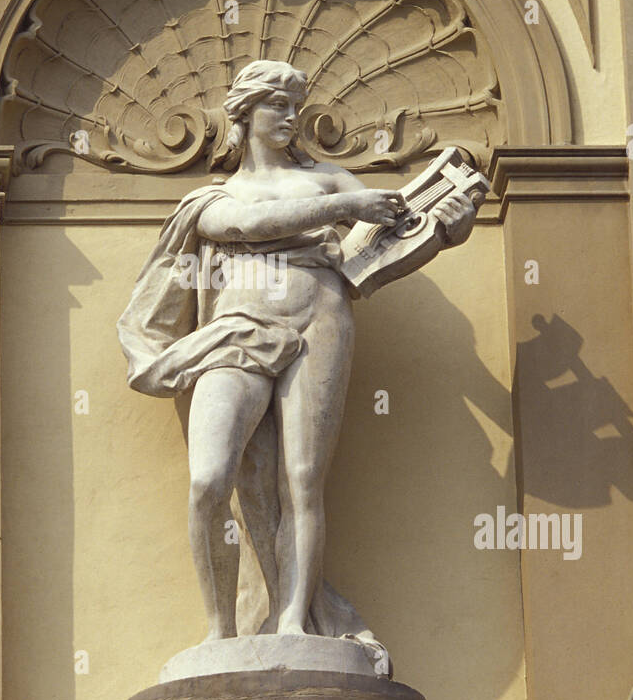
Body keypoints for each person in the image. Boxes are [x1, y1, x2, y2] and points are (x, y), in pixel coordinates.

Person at [118, 60, 476, 650]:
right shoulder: (214, 196)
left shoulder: (333, 180)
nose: (290, 117)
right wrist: (340, 211)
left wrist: (441, 233)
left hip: (322, 317)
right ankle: (220, 632)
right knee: (210, 479)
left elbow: (373, 258)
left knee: (303, 480)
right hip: (238, 327)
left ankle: (292, 622)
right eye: (276, 105)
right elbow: (244, 226)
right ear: (244, 114)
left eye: (295, 106)